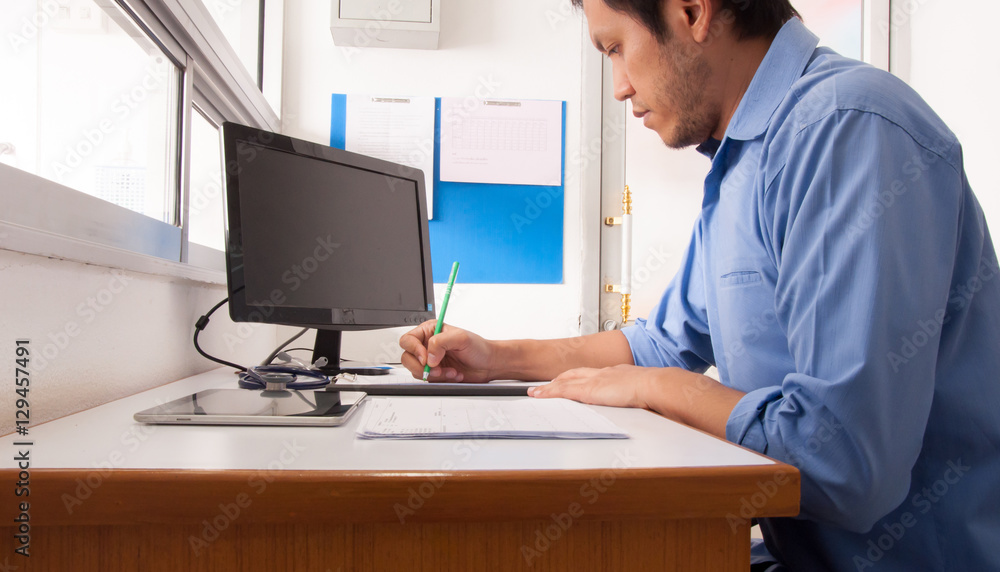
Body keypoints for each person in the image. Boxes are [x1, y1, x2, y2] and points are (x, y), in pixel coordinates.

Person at [400, 0, 1000, 569]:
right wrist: (495, 359)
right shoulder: (743, 160)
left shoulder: (846, 129)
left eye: (614, 48)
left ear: (692, 12)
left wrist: (657, 388)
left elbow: (843, 464)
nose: (619, 86)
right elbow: (662, 342)